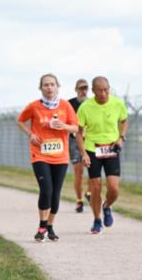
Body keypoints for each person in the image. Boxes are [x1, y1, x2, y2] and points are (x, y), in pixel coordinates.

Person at [17, 74, 81, 242]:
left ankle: (50, 226)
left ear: (57, 87)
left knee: (55, 194)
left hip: (60, 156)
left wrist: (64, 126)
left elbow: (76, 128)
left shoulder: (65, 106)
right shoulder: (34, 106)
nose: (49, 87)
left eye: (52, 84)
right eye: (46, 85)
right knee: (46, 189)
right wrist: (30, 134)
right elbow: (20, 121)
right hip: (40, 154)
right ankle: (42, 226)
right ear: (41, 88)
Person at [77, 76, 128, 234]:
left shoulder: (117, 104)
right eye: (100, 90)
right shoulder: (85, 107)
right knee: (96, 187)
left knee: (114, 188)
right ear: (93, 91)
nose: (104, 93)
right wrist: (83, 154)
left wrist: (121, 138)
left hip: (111, 148)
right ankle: (97, 220)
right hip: (92, 149)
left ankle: (107, 206)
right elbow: (78, 133)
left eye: (106, 90)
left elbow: (124, 120)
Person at [68, 78, 90, 212]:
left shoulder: (92, 103)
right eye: (81, 88)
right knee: (78, 172)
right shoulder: (69, 104)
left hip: (90, 141)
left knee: (93, 170)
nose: (83, 91)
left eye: (85, 88)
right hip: (74, 140)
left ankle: (89, 192)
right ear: (76, 90)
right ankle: (79, 200)